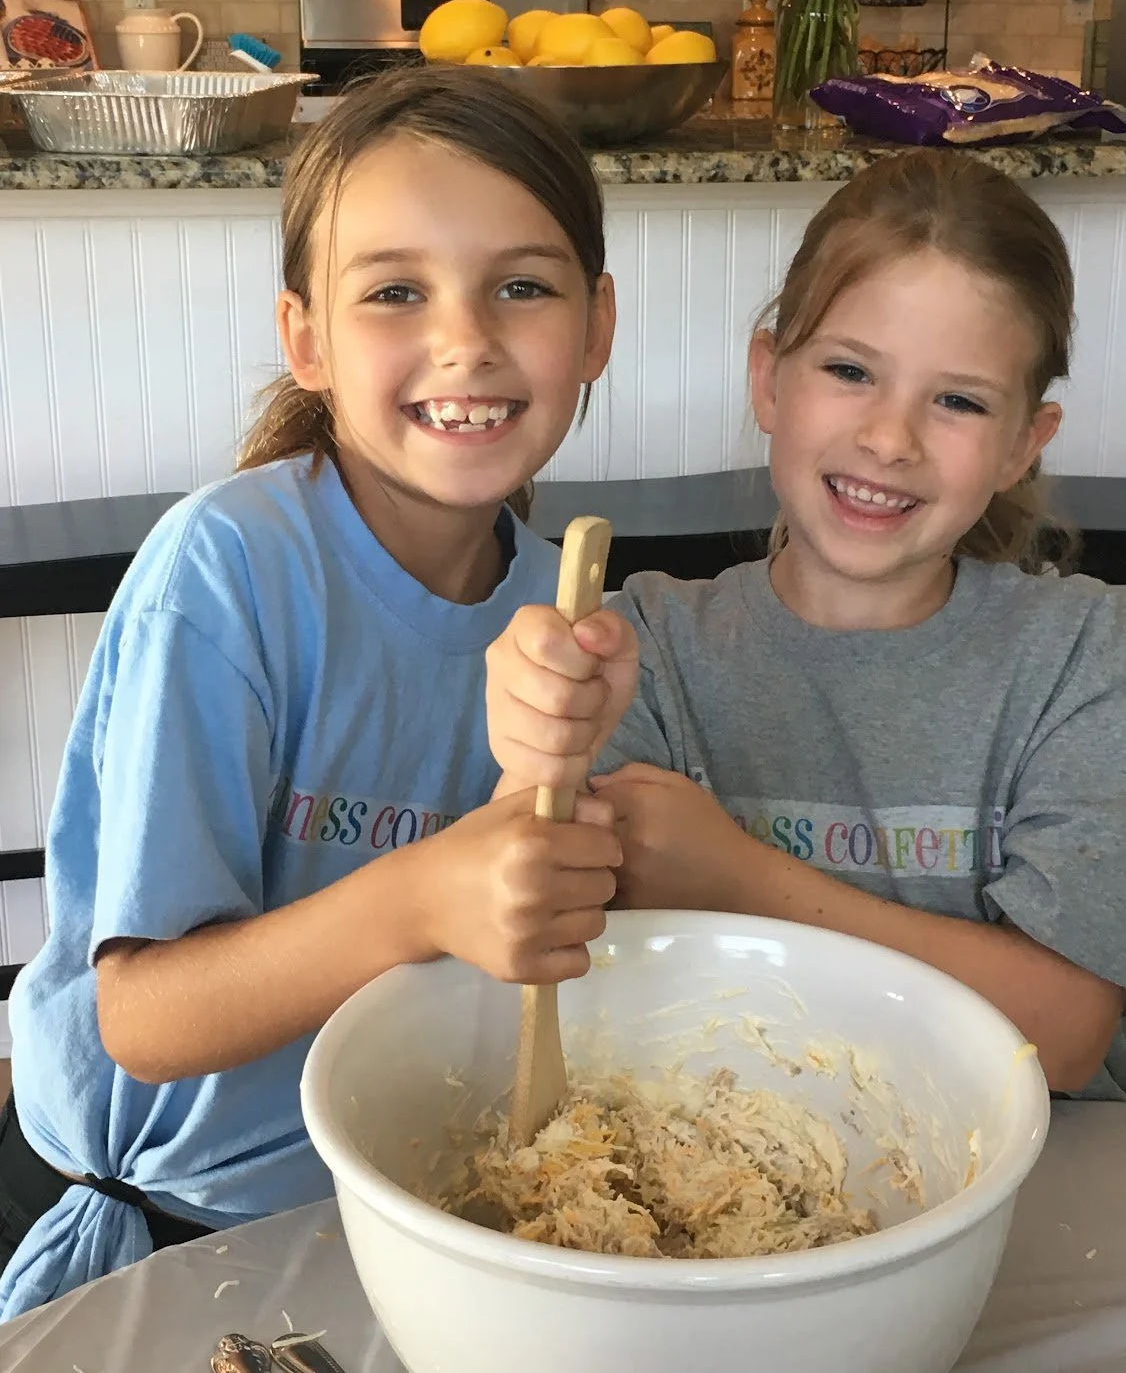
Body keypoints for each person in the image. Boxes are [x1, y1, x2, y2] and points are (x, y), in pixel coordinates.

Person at [0, 66, 622, 1318]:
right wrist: (426, 894)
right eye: (395, 291)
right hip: (155, 1214)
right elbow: (145, 1019)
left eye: (522, 285)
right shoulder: (228, 572)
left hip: (381, 1197)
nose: (467, 338)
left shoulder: (561, 610)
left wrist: (568, 808)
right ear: (307, 340)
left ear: (597, 325)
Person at [486, 149, 1126, 1102]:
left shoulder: (1085, 656)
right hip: (691, 1143)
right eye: (849, 370)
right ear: (769, 381)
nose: (890, 439)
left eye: (958, 401)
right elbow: (540, 940)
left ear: (1021, 447)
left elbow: (1065, 1033)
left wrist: (737, 878)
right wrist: (535, 766)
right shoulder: (647, 645)